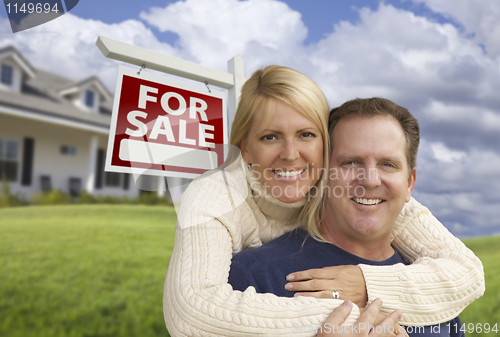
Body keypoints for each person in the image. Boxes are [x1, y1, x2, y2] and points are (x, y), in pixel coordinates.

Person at [163, 66, 485, 336]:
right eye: (269, 136)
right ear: (244, 148)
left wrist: (367, 285)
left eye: (306, 134)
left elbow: (466, 272)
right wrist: (346, 321)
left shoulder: (381, 204)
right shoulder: (218, 200)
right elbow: (192, 309)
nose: (291, 156)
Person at [228, 97, 469, 336]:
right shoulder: (254, 277)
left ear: (409, 184)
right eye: (351, 162)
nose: (370, 180)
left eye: (388, 164)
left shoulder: (438, 293)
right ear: (323, 174)